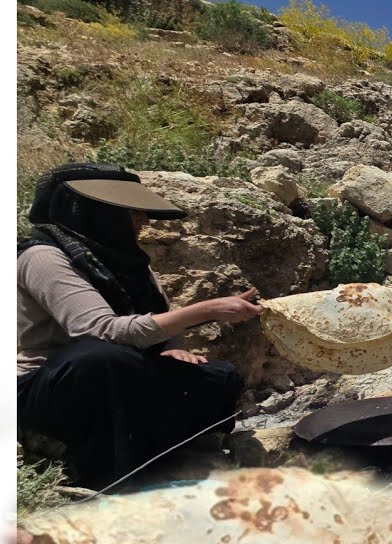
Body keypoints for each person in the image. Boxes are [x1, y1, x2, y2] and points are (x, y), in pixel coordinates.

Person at [16, 163, 262, 489]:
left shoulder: (124, 260)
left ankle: (149, 453)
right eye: (132, 214)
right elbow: (102, 330)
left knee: (220, 378)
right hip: (56, 384)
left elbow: (159, 318)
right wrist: (210, 309)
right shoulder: (44, 258)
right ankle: (100, 474)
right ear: (96, 213)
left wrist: (175, 347)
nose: (143, 222)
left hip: (123, 372)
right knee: (103, 360)